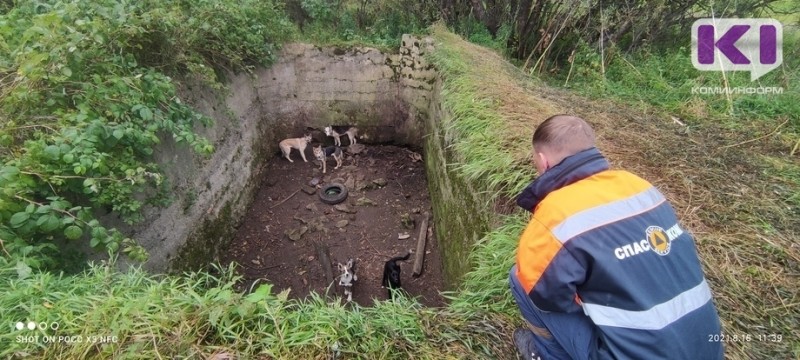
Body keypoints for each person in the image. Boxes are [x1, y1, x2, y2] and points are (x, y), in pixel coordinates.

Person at [509, 115, 723, 360]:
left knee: (519, 278)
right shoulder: (640, 186)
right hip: (708, 349)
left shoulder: (554, 214)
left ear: (542, 161)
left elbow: (546, 295)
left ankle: (548, 355)